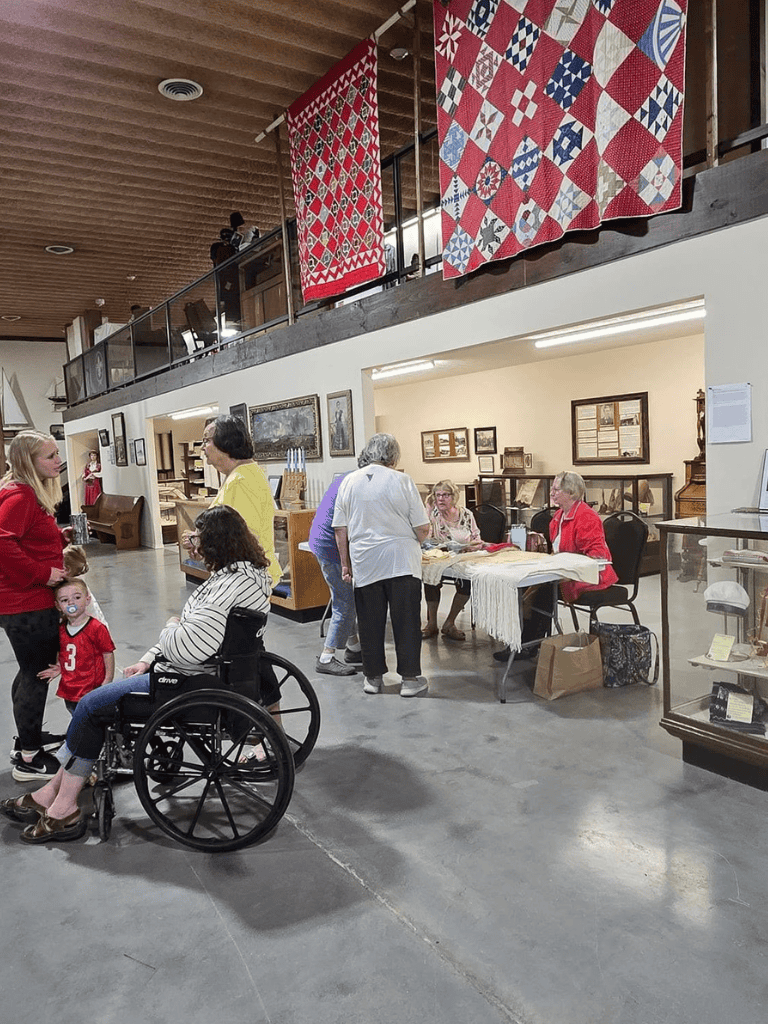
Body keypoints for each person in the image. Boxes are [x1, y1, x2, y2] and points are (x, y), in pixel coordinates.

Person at [0, 505, 275, 843]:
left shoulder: (228, 586)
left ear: (217, 544)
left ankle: (64, 809)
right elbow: (197, 636)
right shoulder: (244, 577)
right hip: (196, 674)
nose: (195, 549)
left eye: (199, 542)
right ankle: (50, 796)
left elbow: (188, 647)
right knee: (94, 704)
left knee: (89, 707)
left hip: (187, 683)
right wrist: (149, 657)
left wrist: (170, 627)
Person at [333, 434, 430, 698]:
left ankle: (373, 678)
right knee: (407, 621)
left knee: (370, 621)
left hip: (365, 562)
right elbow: (422, 527)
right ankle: (410, 679)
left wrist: (345, 565)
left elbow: (340, 529)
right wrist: (415, 541)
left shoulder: (348, 482)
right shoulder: (402, 480)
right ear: (394, 457)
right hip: (401, 561)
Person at [0, 431, 70, 782]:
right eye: (50, 456)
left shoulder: (27, 493)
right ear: (29, 462)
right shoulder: (21, 495)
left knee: (29, 671)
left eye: (57, 453)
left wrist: (58, 539)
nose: (58, 461)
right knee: (37, 675)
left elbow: (22, 538)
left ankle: (25, 742)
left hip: (25, 599)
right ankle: (29, 759)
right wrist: (44, 572)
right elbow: (2, 543)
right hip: (25, 601)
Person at [188, 416, 281, 590]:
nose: (202, 447)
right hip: (238, 578)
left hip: (243, 581)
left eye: (206, 440)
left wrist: (201, 543)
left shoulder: (241, 480)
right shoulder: (239, 475)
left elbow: (243, 539)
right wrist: (198, 540)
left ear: (226, 443)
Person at [308, 474, 362, 676]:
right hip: (331, 547)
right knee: (345, 603)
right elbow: (341, 528)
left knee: (345, 598)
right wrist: (345, 564)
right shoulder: (358, 484)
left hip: (321, 542)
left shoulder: (346, 478)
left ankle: (354, 648)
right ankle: (326, 657)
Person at [38, 579, 115, 713]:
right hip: (70, 690)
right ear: (57, 605)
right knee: (77, 719)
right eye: (64, 600)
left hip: (92, 689)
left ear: (87, 599)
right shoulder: (61, 629)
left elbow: (108, 653)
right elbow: (65, 652)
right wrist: (60, 667)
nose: (71, 603)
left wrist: (107, 680)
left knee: (94, 723)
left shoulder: (96, 628)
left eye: (77, 597)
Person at [421, 480, 483, 642]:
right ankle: (432, 623)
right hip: (440, 558)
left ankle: (449, 623)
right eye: (438, 495)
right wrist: (428, 509)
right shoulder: (433, 515)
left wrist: (474, 545)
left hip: (464, 558)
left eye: (445, 495)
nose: (441, 499)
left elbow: (476, 536)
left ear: (454, 497)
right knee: (430, 577)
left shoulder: (466, 514)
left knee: (467, 582)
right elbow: (425, 540)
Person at [549, 471, 618, 603]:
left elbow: (597, 555)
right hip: (567, 573)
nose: (552, 493)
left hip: (591, 577)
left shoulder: (586, 516)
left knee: (542, 591)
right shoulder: (558, 516)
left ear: (571, 492)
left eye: (556, 490)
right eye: (552, 489)